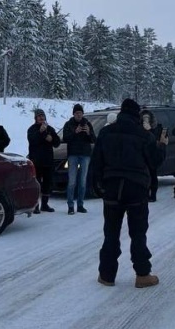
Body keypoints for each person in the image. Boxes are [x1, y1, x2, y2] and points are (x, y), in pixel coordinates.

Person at [91, 98, 167, 288]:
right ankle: (142, 275)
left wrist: (98, 186)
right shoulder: (144, 135)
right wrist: (162, 145)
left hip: (111, 189)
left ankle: (106, 275)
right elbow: (155, 162)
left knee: (111, 234)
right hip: (136, 189)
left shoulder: (105, 133)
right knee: (138, 234)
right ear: (136, 115)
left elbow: (96, 163)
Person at [62, 103, 96, 214]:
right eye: (77, 113)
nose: (79, 115)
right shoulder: (69, 124)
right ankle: (70, 206)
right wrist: (74, 132)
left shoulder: (87, 123)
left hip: (85, 154)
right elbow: (65, 138)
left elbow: (93, 140)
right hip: (73, 154)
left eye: (80, 113)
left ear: (82, 114)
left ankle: (80, 204)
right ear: (73, 114)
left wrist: (88, 133)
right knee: (72, 181)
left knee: (82, 181)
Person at [27, 109, 61, 213]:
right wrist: (40, 132)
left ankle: (45, 204)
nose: (41, 118)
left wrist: (52, 139)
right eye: (39, 116)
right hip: (36, 161)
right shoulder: (32, 129)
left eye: (43, 116)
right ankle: (35, 205)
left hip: (47, 160)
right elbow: (32, 140)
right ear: (35, 118)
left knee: (47, 183)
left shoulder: (50, 129)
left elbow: (57, 142)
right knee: (37, 184)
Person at [140, 109, 165, 202]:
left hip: (152, 155)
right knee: (144, 176)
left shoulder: (156, 128)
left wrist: (149, 130)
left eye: (147, 118)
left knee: (153, 175)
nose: (145, 120)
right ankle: (145, 194)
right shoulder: (139, 128)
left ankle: (153, 194)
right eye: (144, 118)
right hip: (142, 155)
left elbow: (157, 140)